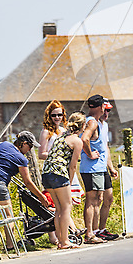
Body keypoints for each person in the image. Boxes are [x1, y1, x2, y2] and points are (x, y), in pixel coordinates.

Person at [0, 131, 49, 250]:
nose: (30, 149)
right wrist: (41, 196)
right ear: (23, 143)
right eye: (30, 146)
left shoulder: (4, 144)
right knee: (8, 215)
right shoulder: (21, 159)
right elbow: (28, 182)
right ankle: (10, 245)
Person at [38, 99, 83, 244]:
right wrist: (69, 182)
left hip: (47, 172)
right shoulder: (75, 140)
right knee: (66, 208)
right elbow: (73, 166)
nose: (57, 118)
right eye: (53, 115)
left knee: (59, 209)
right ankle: (64, 242)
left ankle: (60, 240)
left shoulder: (62, 134)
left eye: (59, 115)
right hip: (59, 172)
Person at [80, 94, 109, 244]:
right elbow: (84, 138)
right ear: (101, 106)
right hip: (91, 167)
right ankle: (89, 234)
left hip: (95, 167)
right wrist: (90, 153)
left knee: (97, 199)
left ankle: (93, 232)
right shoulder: (92, 123)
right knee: (92, 200)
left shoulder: (92, 121)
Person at [93, 99, 119, 241]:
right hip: (94, 166)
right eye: (105, 110)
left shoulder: (105, 125)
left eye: (109, 110)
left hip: (103, 165)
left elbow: (106, 148)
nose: (107, 113)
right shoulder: (93, 123)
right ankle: (94, 230)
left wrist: (111, 167)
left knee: (108, 197)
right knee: (97, 198)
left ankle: (102, 229)